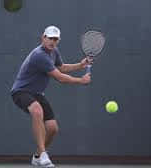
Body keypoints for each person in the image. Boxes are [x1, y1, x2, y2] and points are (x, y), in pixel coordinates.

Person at [10, 25, 92, 167]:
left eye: (55, 39)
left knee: (53, 128)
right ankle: (43, 154)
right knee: (37, 111)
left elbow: (61, 67)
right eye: (50, 38)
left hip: (37, 93)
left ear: (58, 40)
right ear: (43, 37)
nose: (52, 42)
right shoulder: (39, 55)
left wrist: (80, 65)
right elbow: (60, 77)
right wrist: (81, 80)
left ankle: (37, 156)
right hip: (21, 91)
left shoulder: (54, 52)